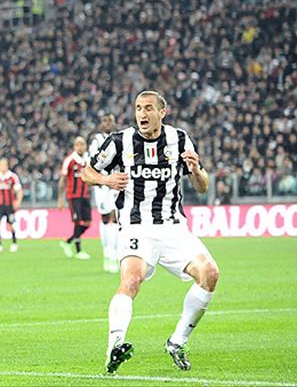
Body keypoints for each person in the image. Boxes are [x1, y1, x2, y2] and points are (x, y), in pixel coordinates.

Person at [82, 90, 219, 374]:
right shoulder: (119, 141)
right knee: (132, 280)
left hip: (173, 227)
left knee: (210, 274)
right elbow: (87, 172)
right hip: (136, 226)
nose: (142, 114)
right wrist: (107, 180)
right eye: (138, 108)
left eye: (148, 108)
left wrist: (195, 171)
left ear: (162, 112)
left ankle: (177, 341)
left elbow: (202, 186)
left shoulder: (179, 139)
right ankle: (115, 345)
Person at [90, 113, 120, 273]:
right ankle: (106, 253)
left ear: (114, 123)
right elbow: (92, 164)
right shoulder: (96, 141)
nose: (107, 123)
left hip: (115, 184)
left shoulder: (119, 138)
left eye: (110, 121)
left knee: (115, 218)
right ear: (101, 124)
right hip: (102, 185)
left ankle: (114, 255)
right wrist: (101, 181)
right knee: (105, 218)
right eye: (104, 121)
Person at [58, 136, 92, 260]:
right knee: (77, 222)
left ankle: (68, 242)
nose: (80, 147)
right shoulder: (70, 160)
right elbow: (63, 179)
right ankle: (78, 251)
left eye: (82, 144)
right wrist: (60, 199)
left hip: (85, 195)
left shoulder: (89, 160)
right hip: (73, 196)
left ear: (86, 146)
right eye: (77, 144)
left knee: (88, 223)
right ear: (74, 147)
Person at [0, 158, 23, 252]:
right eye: (0, 165)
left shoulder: (12, 177)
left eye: (4, 165)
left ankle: (14, 243)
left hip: (9, 205)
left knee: (11, 224)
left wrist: (18, 201)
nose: (2, 167)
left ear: (7, 166)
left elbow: (19, 190)